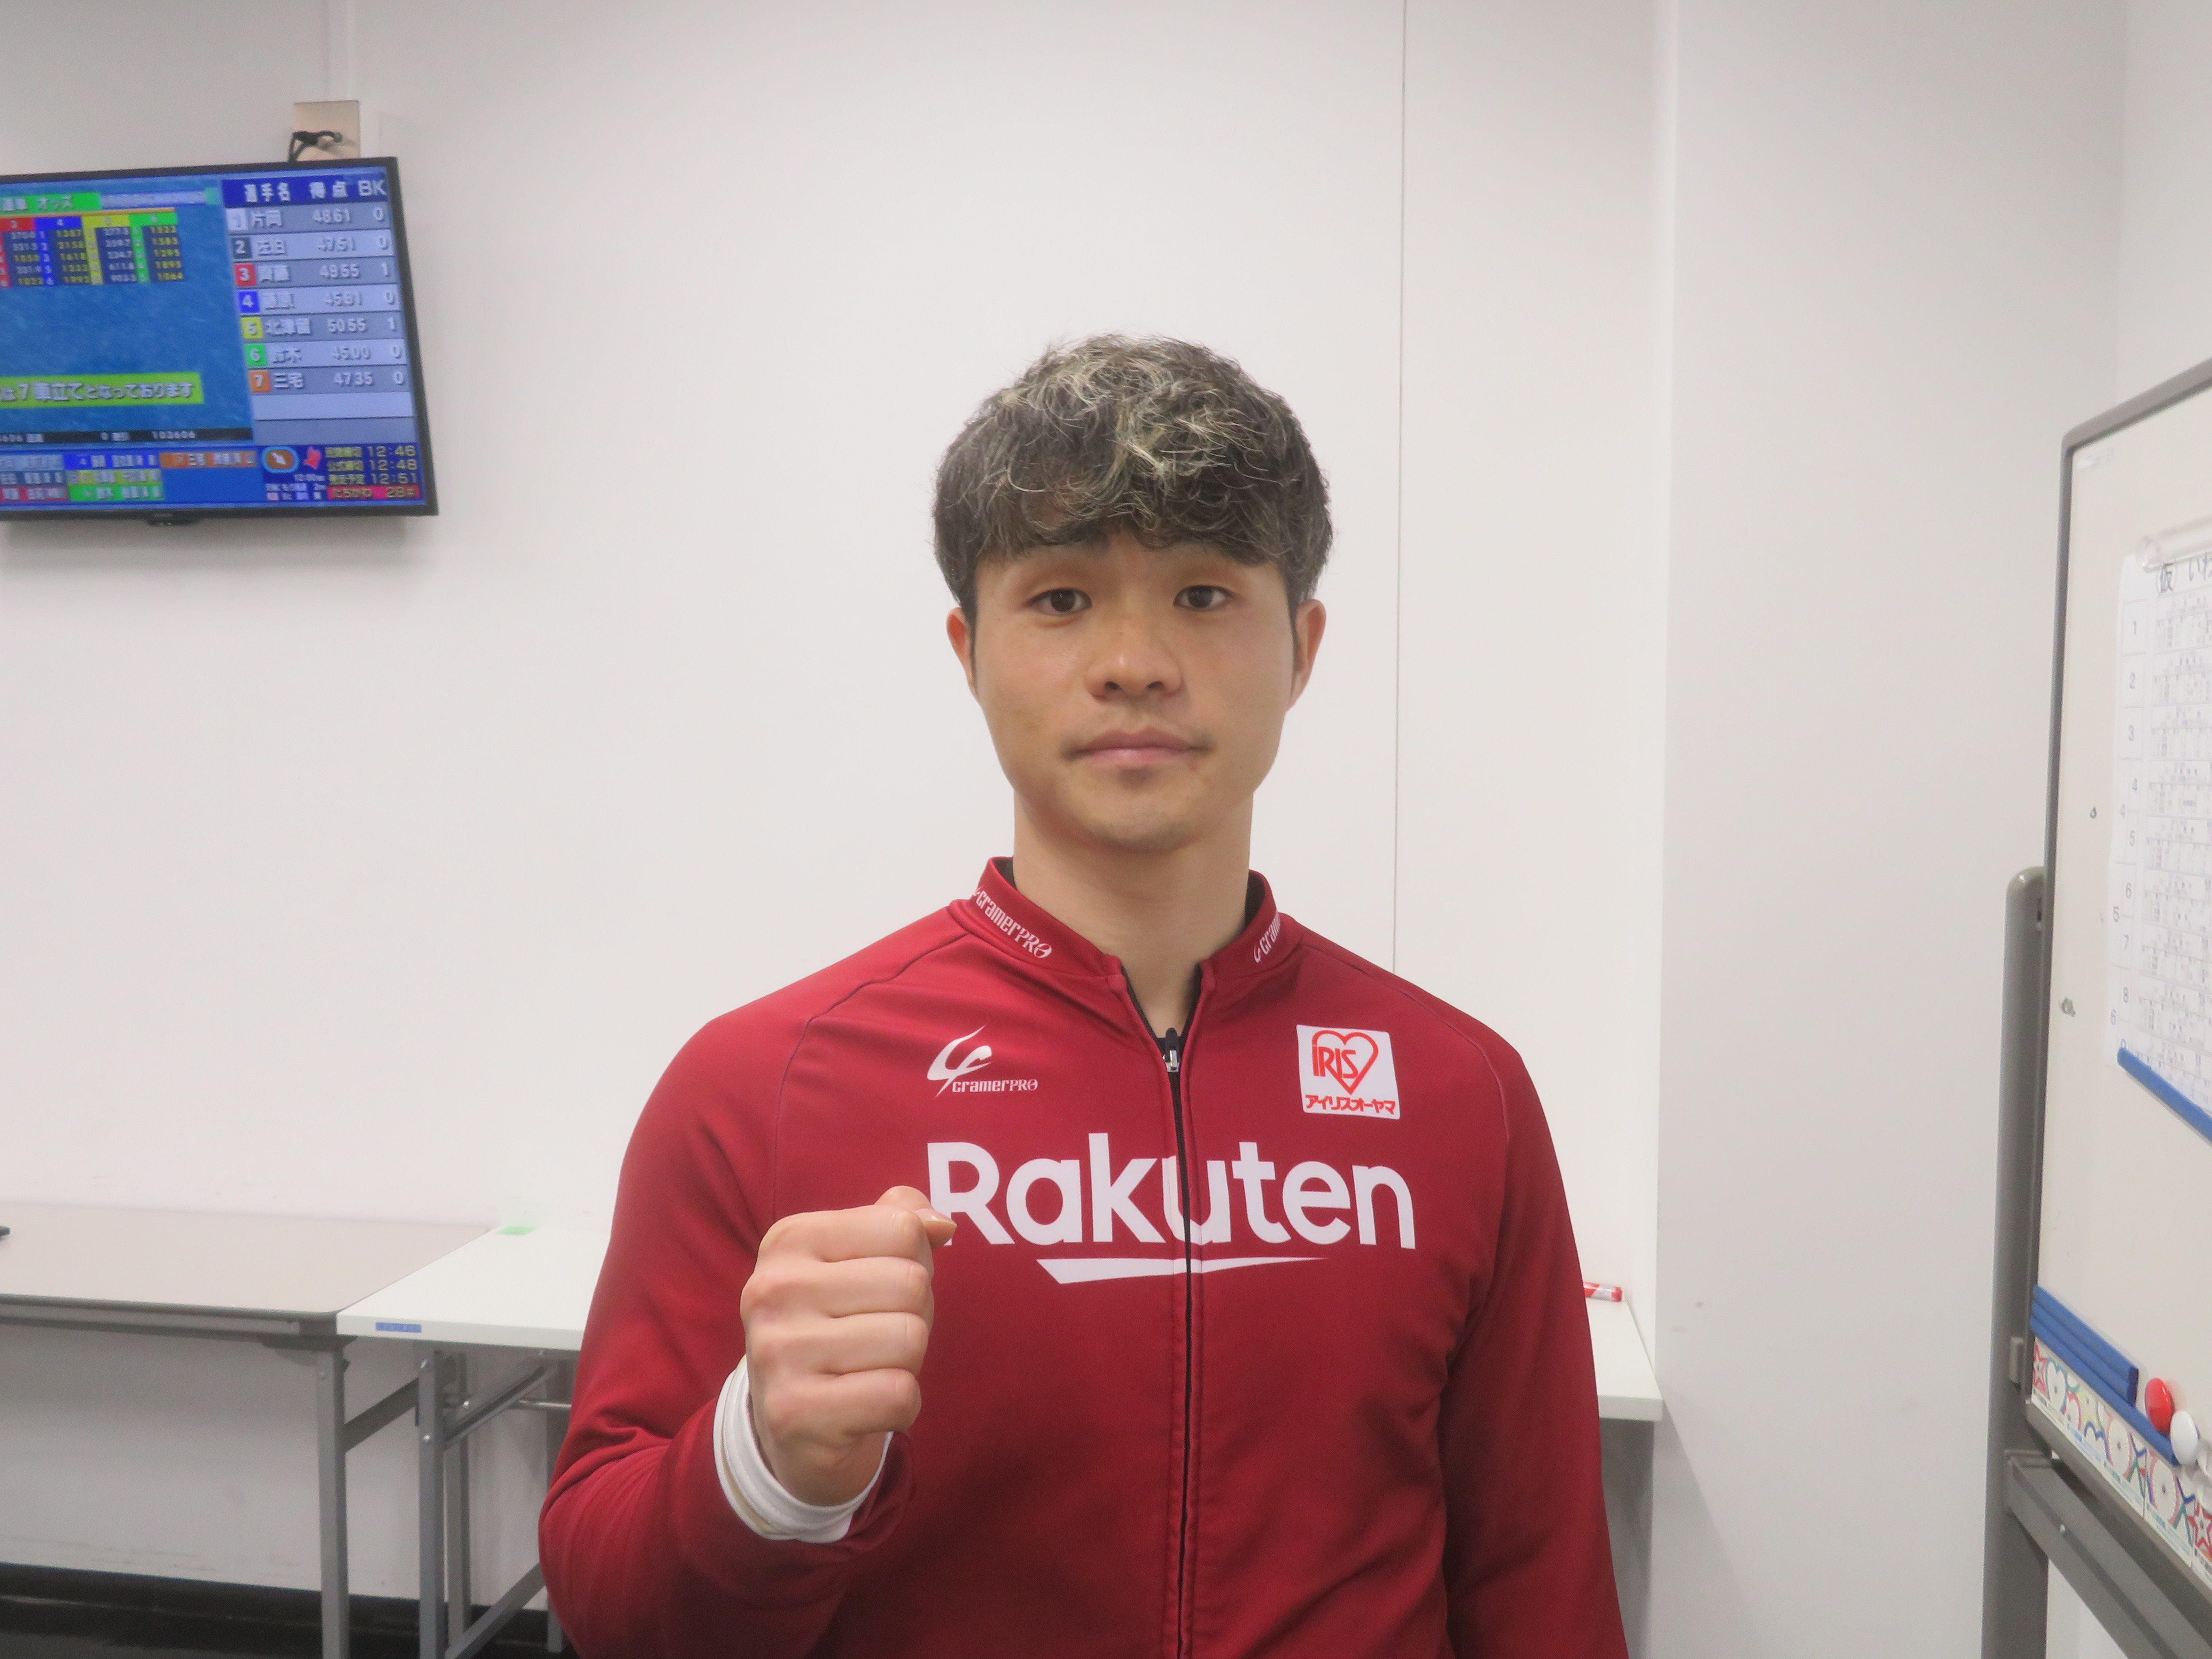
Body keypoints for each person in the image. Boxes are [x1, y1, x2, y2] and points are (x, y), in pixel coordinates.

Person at [540, 335, 1627, 1657]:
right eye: (1061, 599)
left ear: (1302, 648)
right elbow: (611, 1610)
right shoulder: (761, 1084)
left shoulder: (1463, 1093)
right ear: (970, 651)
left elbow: (1540, 1578)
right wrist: (765, 1469)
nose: (1135, 661)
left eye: (1205, 595)